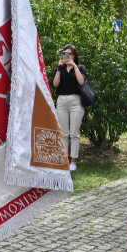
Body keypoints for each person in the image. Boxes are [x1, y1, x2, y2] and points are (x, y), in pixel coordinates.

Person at [51, 43, 87, 171]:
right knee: (64, 133)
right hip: (62, 101)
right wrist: (58, 68)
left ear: (74, 55)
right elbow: (55, 84)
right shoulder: (60, 68)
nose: (67, 56)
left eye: (70, 53)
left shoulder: (80, 67)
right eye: (65, 53)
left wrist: (74, 66)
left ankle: (73, 161)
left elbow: (81, 81)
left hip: (76, 101)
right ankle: (65, 160)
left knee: (74, 134)